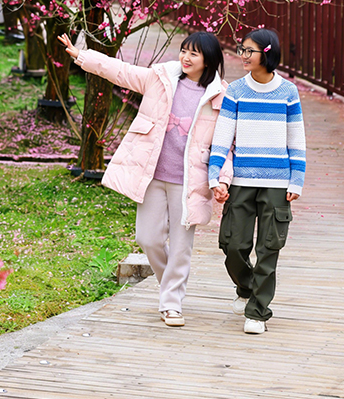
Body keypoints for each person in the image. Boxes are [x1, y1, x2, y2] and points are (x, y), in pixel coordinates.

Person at [58, 31, 233, 327]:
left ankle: (172, 303)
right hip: (152, 175)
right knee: (147, 238)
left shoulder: (221, 95)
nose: (186, 58)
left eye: (194, 54)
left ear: (209, 60)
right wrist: (82, 57)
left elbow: (227, 143)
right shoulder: (161, 78)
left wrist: (223, 179)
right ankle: (171, 289)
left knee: (180, 246)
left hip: (189, 181)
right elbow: (121, 72)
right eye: (184, 51)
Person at [208, 28, 306, 335]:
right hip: (240, 180)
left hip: (278, 183)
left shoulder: (288, 92)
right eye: (241, 49)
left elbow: (296, 138)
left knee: (268, 248)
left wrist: (296, 180)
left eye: (248, 50)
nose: (242, 56)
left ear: (266, 52)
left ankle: (258, 312)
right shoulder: (236, 91)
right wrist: (215, 176)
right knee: (233, 244)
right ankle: (247, 286)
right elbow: (222, 137)